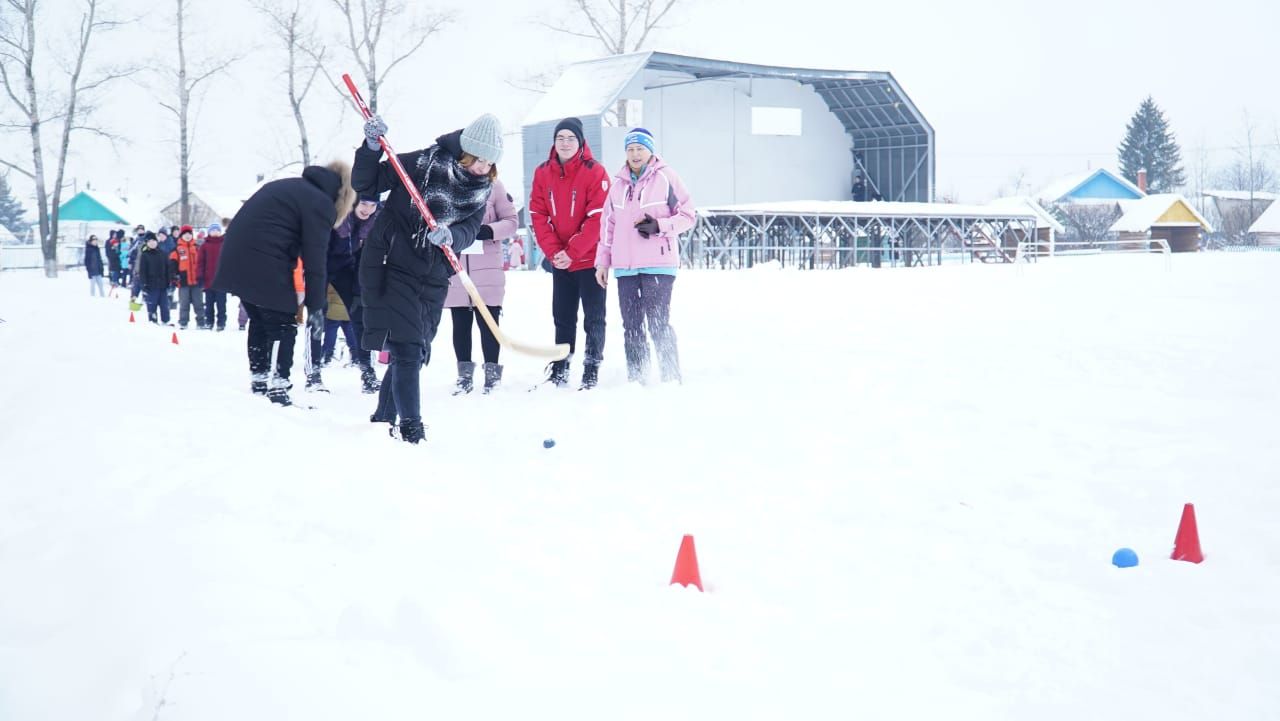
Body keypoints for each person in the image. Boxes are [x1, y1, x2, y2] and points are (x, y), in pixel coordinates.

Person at [355, 112, 500, 443]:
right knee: (406, 348)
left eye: (489, 163)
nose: (482, 167)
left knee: (417, 351)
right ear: (466, 151)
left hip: (434, 273)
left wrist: (452, 235)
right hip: (393, 262)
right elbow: (369, 183)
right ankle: (412, 429)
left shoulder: (481, 188)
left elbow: (471, 228)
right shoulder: (423, 162)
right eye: (479, 159)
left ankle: (382, 420)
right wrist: (370, 146)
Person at [213, 161, 353, 406]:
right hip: (264, 260)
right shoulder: (320, 203)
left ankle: (259, 379)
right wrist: (317, 307)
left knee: (260, 317)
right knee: (283, 323)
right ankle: (278, 386)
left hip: (236, 257)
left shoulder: (289, 187)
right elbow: (315, 260)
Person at [594, 127, 695, 384]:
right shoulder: (617, 185)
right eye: (630, 149)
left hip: (658, 265)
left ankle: (671, 376)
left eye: (640, 148)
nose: (635, 154)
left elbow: (687, 215)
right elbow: (608, 225)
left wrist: (660, 226)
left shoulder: (666, 177)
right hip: (626, 267)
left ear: (650, 151)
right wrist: (603, 263)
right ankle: (637, 377)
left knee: (658, 322)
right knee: (632, 326)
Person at [528, 117, 611, 389]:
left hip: (589, 259)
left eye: (571, 138)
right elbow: (538, 215)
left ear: (581, 142)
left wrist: (573, 251)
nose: (565, 143)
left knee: (594, 317)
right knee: (562, 317)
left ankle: (591, 367)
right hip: (560, 261)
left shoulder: (594, 171)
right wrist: (554, 253)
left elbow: (598, 218)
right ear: (554, 142)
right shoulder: (542, 172)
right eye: (560, 138)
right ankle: (560, 368)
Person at [444, 178, 518, 394]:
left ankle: (492, 375)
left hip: (487, 270)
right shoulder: (448, 185)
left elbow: (511, 222)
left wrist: (487, 231)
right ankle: (464, 375)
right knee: (460, 324)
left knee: (489, 323)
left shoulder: (495, 186)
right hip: (456, 268)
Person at [328, 192, 382, 393]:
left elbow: (365, 255)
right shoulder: (337, 216)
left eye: (373, 205)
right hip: (326, 267)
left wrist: (361, 288)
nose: (368, 209)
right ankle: (313, 374)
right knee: (319, 317)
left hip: (352, 269)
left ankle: (367, 373)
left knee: (360, 316)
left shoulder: (374, 221)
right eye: (364, 203)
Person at [170, 225, 205, 329]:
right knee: (184, 303)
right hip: (183, 281)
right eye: (185, 234)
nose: (188, 236)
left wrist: (202, 276)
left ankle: (201, 322)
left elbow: (202, 263)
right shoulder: (177, 249)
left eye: (189, 234)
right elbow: (172, 265)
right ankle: (183, 322)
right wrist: (174, 277)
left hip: (196, 281)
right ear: (182, 235)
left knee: (198, 303)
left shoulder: (197, 247)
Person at [197, 222, 227, 330]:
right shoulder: (204, 246)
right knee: (209, 305)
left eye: (217, 230)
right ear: (209, 232)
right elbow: (200, 262)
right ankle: (209, 322)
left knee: (221, 305)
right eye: (213, 230)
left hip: (221, 281)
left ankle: (221, 323)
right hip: (208, 281)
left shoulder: (224, 244)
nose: (215, 232)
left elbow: (228, 262)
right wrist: (200, 276)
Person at [137, 233, 172, 325]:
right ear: (146, 243)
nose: (152, 243)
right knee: (152, 304)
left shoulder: (163, 253)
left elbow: (168, 268)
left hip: (163, 284)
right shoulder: (145, 255)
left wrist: (169, 281)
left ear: (157, 242)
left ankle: (166, 320)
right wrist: (143, 284)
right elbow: (142, 271)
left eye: (153, 241)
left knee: (164, 304)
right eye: (149, 241)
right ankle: (153, 320)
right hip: (151, 284)